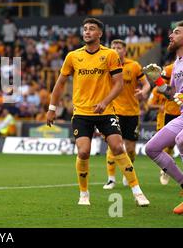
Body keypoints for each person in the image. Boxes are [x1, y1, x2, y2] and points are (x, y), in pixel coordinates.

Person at [46, 17, 150, 206]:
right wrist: (52, 108)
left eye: (91, 29)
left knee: (118, 147)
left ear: (100, 34)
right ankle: (84, 194)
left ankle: (137, 191)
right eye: (85, 28)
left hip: (106, 111)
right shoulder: (73, 56)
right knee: (84, 152)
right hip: (82, 113)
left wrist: (104, 102)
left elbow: (118, 85)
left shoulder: (110, 55)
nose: (87, 32)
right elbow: (60, 84)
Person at [143, 21, 183, 214]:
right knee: (151, 148)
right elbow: (172, 93)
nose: (171, 36)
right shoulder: (176, 64)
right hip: (182, 115)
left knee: (181, 140)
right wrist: (157, 80)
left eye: (176, 32)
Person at [103, 39, 150, 189]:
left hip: (132, 112)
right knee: (112, 145)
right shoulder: (106, 66)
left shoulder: (134, 66)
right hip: (113, 111)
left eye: (119, 47)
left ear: (124, 50)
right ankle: (111, 179)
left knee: (130, 149)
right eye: (113, 47)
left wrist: (143, 91)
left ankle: (126, 173)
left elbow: (147, 84)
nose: (116, 49)